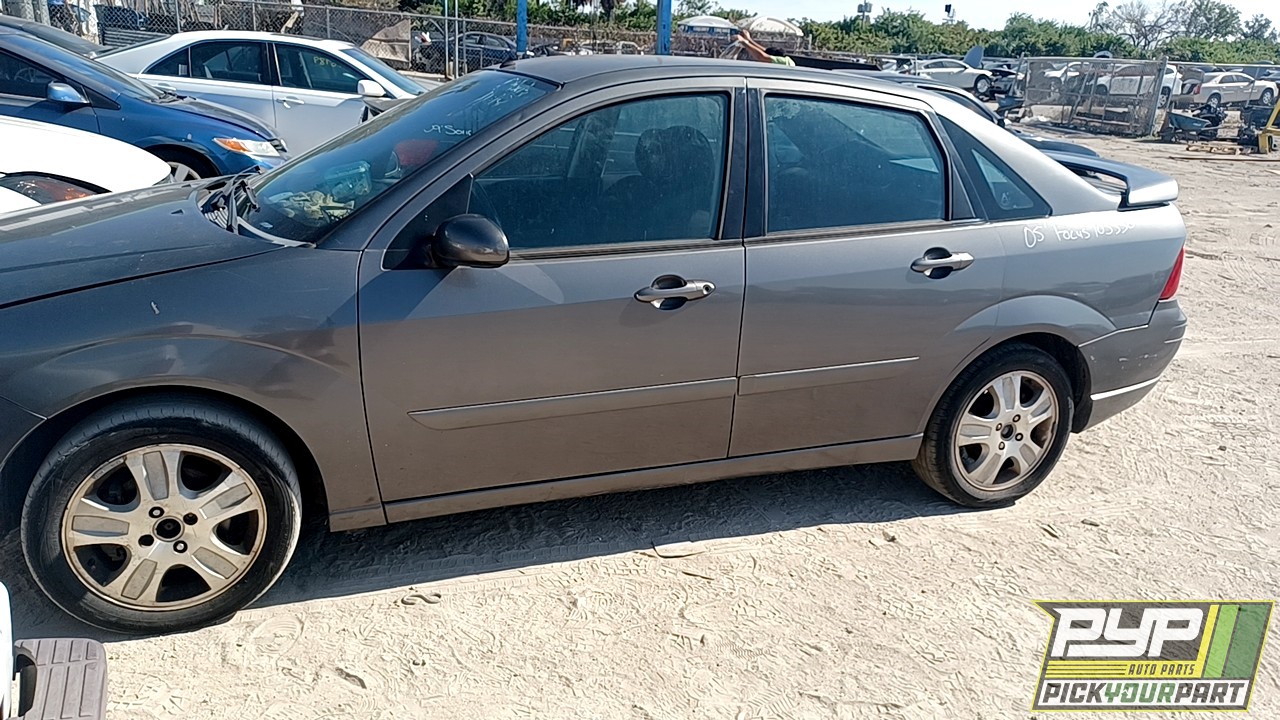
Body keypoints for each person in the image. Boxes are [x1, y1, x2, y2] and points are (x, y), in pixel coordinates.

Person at [731, 29, 795, 67]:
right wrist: (749, 40)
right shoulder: (781, 59)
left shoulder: (785, 62)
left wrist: (744, 42)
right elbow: (764, 51)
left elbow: (762, 56)